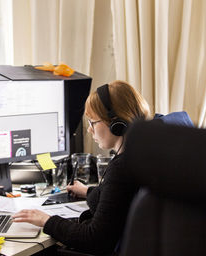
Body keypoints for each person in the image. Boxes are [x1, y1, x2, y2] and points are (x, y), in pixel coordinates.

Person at [12, 80, 151, 255]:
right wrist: (87, 191)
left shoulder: (122, 168)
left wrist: (46, 220)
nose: (90, 130)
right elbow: (116, 201)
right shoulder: (142, 154)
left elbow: (94, 239)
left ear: (116, 123)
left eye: (93, 122)